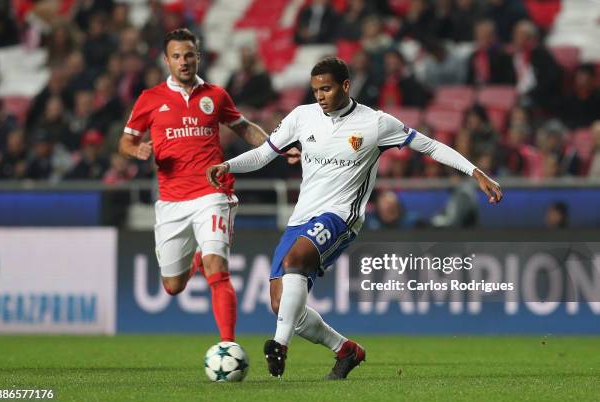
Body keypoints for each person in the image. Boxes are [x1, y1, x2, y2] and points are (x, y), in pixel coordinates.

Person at [207, 57, 502, 379]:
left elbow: (430, 147)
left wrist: (475, 172)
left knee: (295, 261)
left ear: (346, 86)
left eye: (327, 89)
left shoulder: (375, 123)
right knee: (282, 306)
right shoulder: (302, 117)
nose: (320, 96)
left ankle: (279, 345)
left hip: (341, 216)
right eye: (315, 89)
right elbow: (264, 154)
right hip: (301, 217)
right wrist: (228, 165)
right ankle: (346, 350)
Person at [118, 28, 297, 342]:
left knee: (217, 268)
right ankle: (195, 260)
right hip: (171, 200)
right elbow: (125, 141)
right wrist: (137, 150)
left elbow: (243, 127)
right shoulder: (150, 99)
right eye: (177, 56)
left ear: (198, 57)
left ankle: (228, 347)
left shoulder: (215, 95)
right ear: (167, 60)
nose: (184, 61)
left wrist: (277, 148)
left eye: (189, 55)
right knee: (172, 286)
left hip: (212, 193)